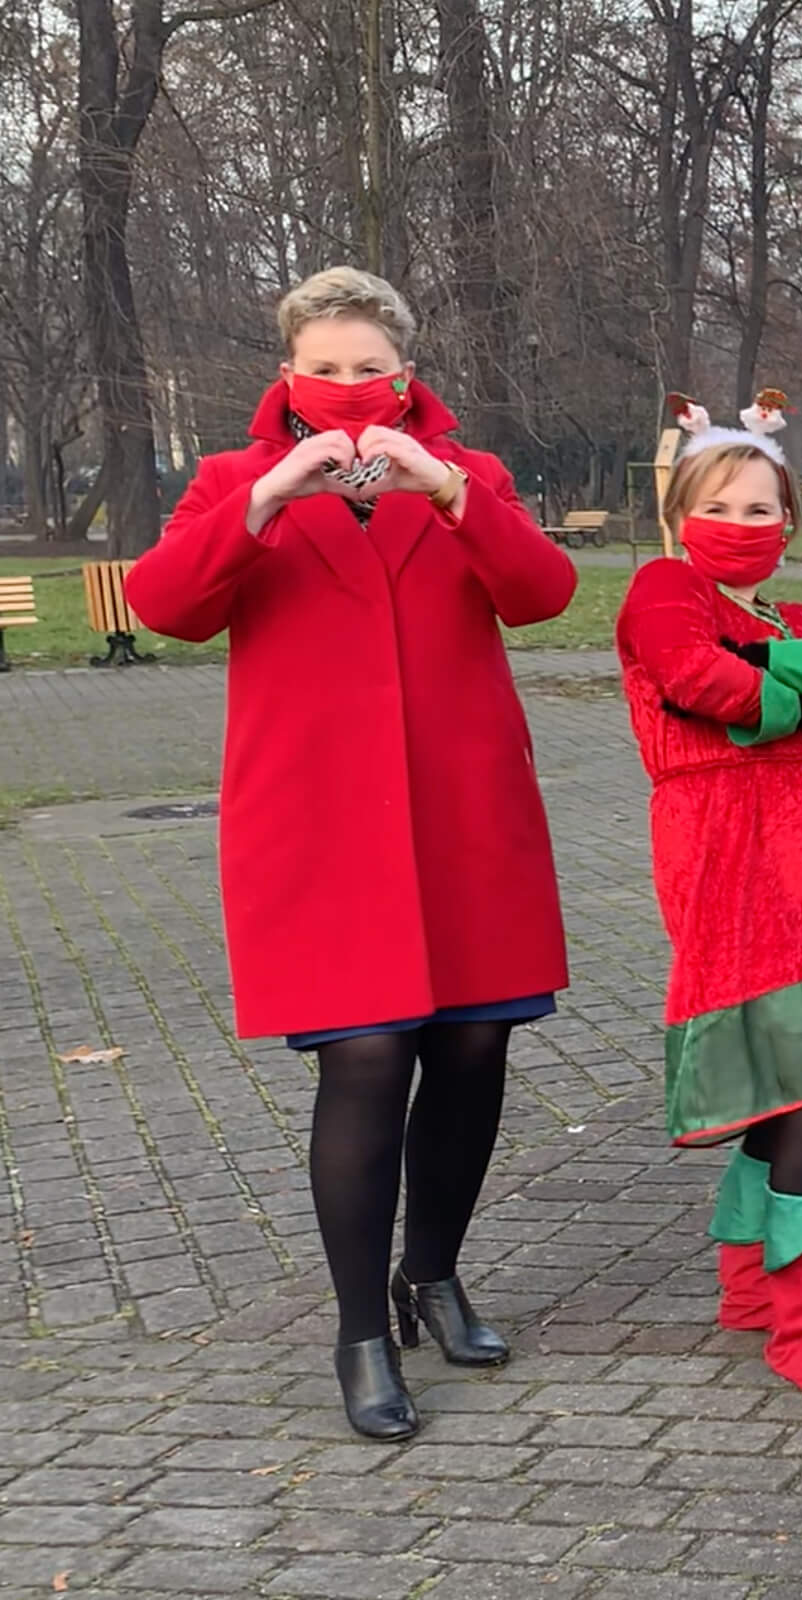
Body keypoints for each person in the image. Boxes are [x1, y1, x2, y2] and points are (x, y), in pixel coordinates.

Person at [124, 267, 575, 1440]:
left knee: (474, 1046)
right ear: (288, 375)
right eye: (322, 369)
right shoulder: (234, 481)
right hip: (319, 822)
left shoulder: (466, 477)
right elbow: (165, 604)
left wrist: (452, 494)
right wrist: (267, 497)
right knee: (367, 1059)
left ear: (405, 375)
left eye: (366, 368)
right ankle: (358, 1334)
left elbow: (542, 596)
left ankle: (431, 1276)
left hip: (462, 811)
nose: (345, 387)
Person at [614, 395, 802, 1400]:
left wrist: (777, 669)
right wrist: (800, 697)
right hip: (732, 854)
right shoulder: (659, 586)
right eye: (723, 507)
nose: (746, 525)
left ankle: (753, 1287)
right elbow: (695, 680)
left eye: (764, 509)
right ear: (682, 511)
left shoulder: (791, 613)